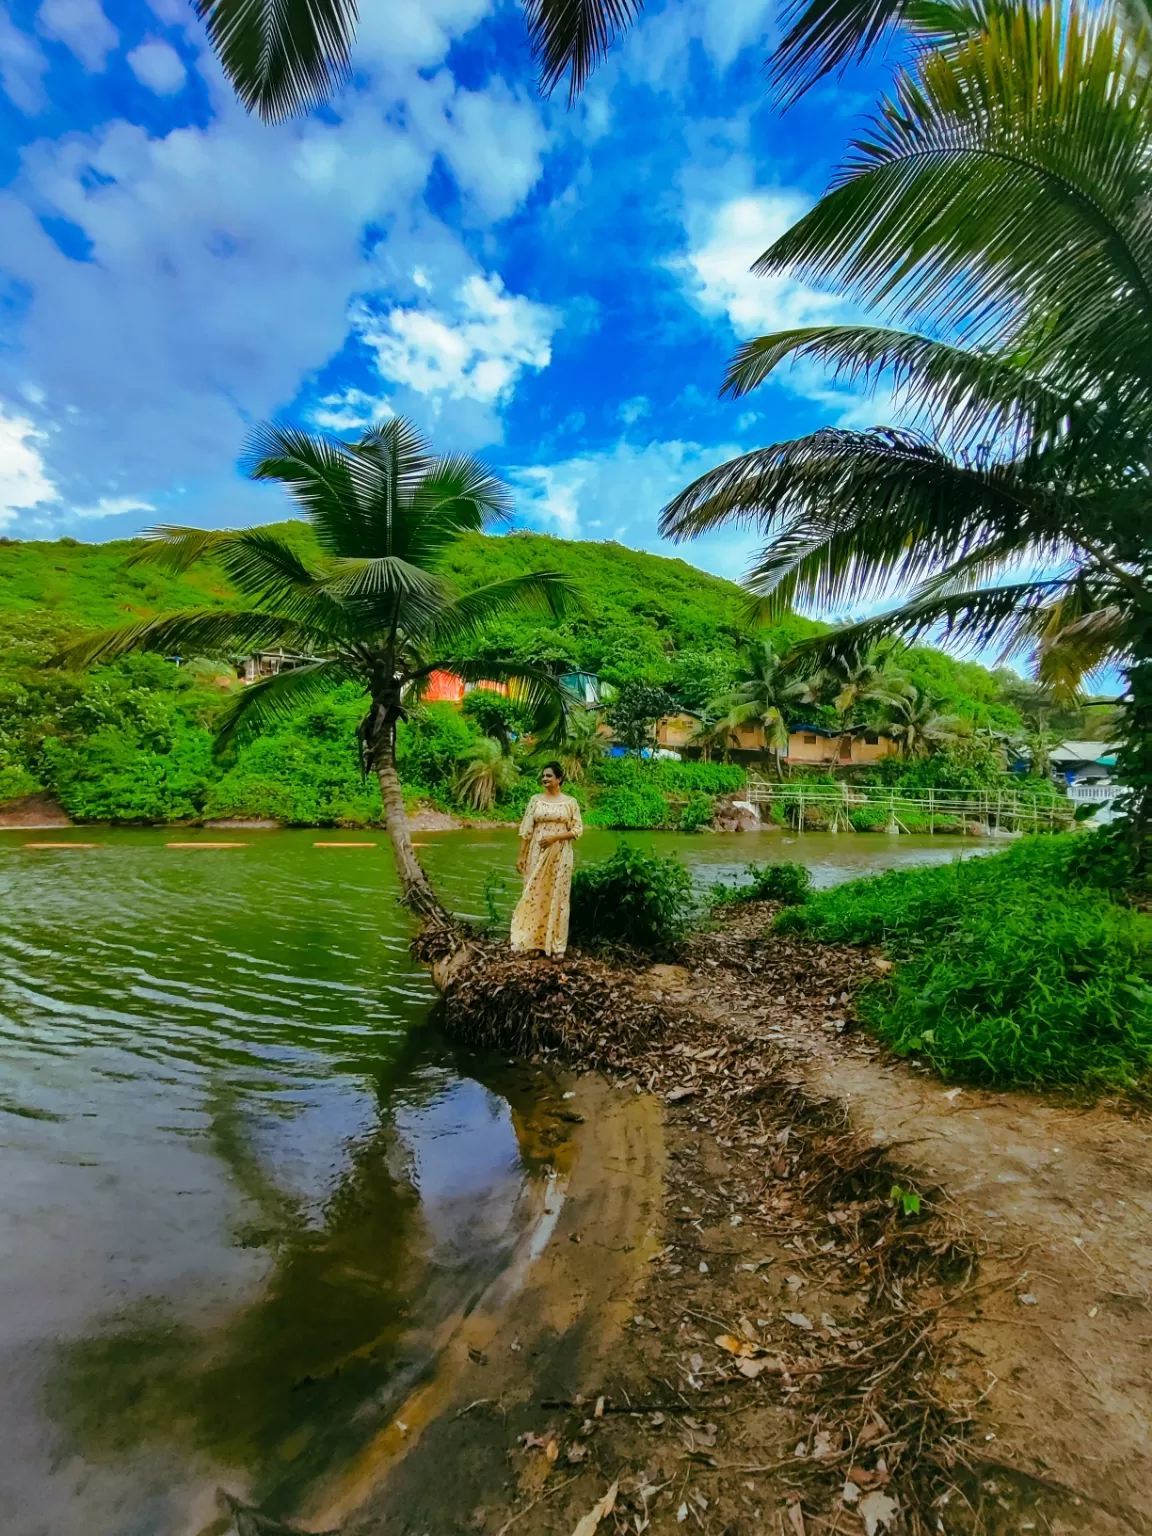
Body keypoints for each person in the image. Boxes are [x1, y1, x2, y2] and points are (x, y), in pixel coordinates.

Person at [510, 762, 583, 958]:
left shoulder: (570, 803)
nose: (545, 779)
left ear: (559, 779)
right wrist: (521, 855)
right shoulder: (536, 801)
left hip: (561, 854)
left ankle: (557, 946)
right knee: (535, 893)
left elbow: (577, 830)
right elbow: (526, 830)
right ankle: (534, 943)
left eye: (549, 776)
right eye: (543, 776)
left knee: (557, 895)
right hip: (536, 853)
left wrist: (554, 838)